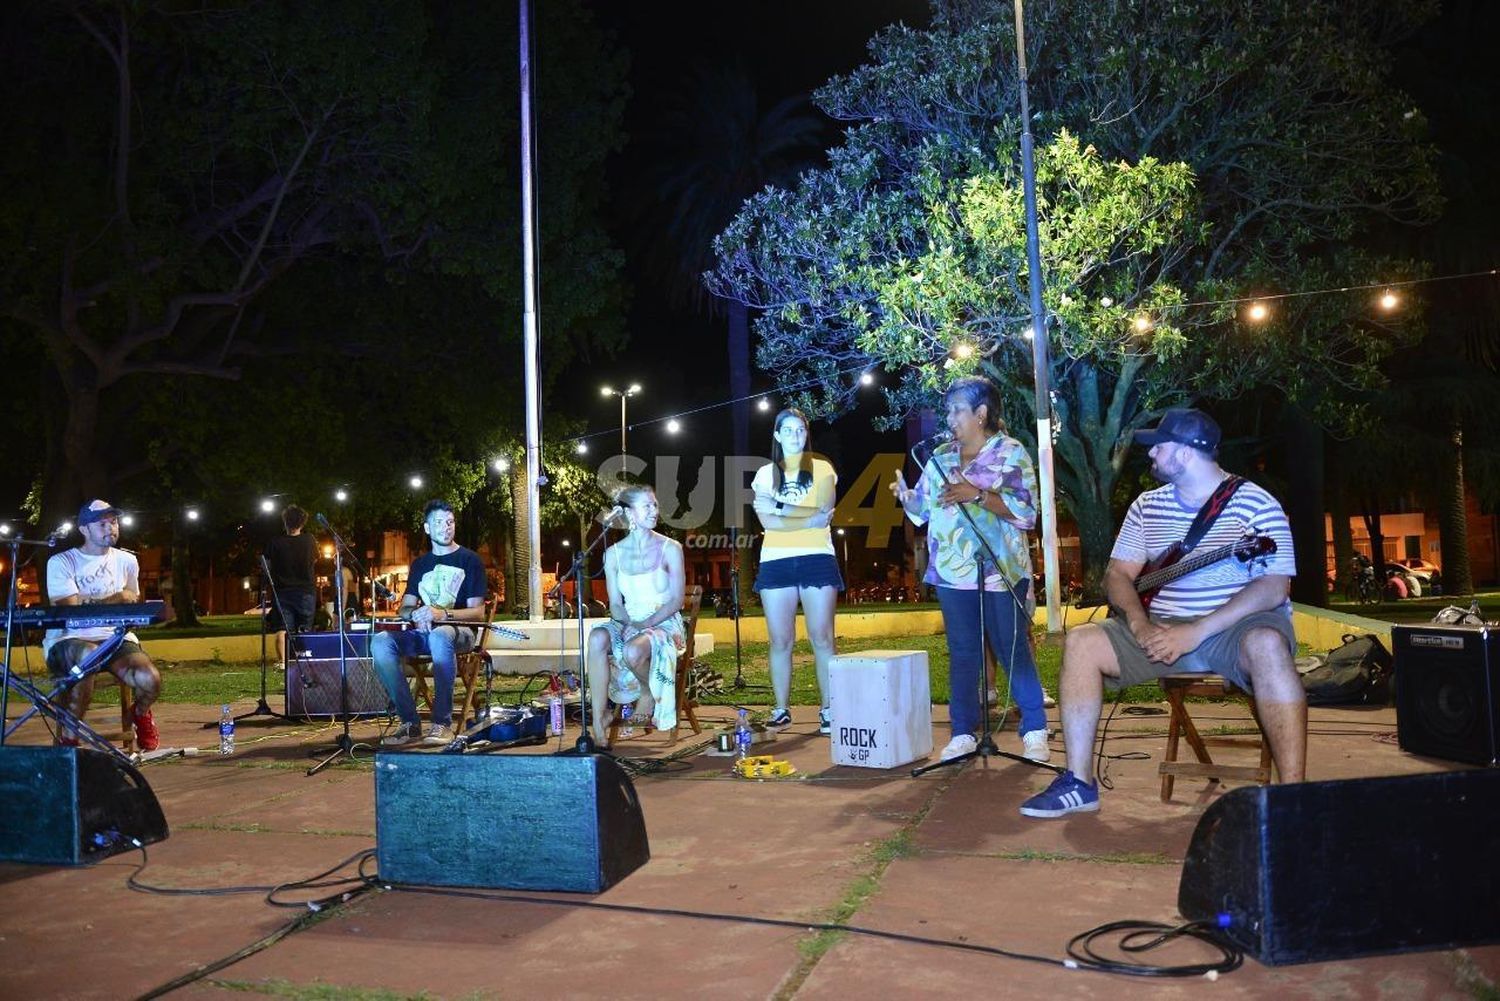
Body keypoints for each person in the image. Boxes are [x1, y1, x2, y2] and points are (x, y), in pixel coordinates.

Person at [1019, 407, 1303, 818]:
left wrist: (1196, 631)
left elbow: (1274, 587)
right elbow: (1118, 575)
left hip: (1232, 630)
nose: (1151, 455)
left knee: (1268, 645)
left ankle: (1294, 798)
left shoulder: (1257, 503)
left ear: (1186, 453)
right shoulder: (1146, 506)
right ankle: (1079, 783)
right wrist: (1139, 622)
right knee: (1082, 642)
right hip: (1158, 628)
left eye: (1159, 447)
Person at [890, 376, 1049, 763]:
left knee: (1012, 651)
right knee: (962, 653)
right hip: (951, 572)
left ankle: (1035, 729)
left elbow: (1027, 514)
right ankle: (962, 731)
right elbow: (924, 511)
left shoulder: (1011, 453)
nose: (949, 418)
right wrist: (908, 497)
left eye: (956, 409)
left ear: (980, 413)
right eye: (948, 410)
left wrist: (977, 495)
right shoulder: (941, 457)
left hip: (1000, 570)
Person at [42, 500, 162, 751]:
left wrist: (128, 609)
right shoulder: (62, 562)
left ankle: (140, 714)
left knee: (150, 679)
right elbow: (70, 609)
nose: (111, 528)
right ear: (84, 529)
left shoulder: (127, 561)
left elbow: (131, 600)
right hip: (68, 639)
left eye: (114, 522)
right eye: (102, 523)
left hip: (114, 638)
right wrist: (116, 598)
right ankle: (68, 739)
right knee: (88, 657)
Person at [371, 499, 487, 747]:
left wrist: (440, 614)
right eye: (439, 523)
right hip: (423, 633)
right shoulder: (420, 565)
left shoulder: (470, 560)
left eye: (450, 522)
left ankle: (442, 724)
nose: (446, 527)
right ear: (427, 528)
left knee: (440, 634)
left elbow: (478, 612)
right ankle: (410, 723)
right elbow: (405, 607)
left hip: (459, 633)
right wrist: (415, 613)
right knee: (380, 642)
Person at [751, 408, 840, 734]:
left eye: (799, 430)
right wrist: (803, 517)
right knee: (780, 640)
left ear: (806, 434)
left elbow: (824, 513)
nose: (793, 436)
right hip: (775, 561)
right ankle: (781, 709)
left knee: (822, 636)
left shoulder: (822, 469)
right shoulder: (764, 474)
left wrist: (780, 509)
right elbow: (766, 521)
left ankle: (830, 709)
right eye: (787, 430)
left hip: (817, 557)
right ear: (777, 435)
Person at [585, 485, 687, 746]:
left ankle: (647, 692)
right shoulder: (613, 554)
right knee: (597, 638)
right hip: (628, 620)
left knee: (632, 651)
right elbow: (616, 604)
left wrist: (644, 625)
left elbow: (676, 600)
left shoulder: (671, 548)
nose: (654, 510)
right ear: (629, 514)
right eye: (647, 506)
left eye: (655, 504)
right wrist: (628, 624)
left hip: (664, 621)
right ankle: (599, 719)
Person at [264, 504, 317, 669]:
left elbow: (266, 564)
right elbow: (315, 559)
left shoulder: (275, 542)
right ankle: (304, 661)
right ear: (302, 523)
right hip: (306, 591)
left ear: (285, 522)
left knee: (282, 628)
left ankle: (283, 662)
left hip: (282, 591)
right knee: (305, 629)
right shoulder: (310, 540)